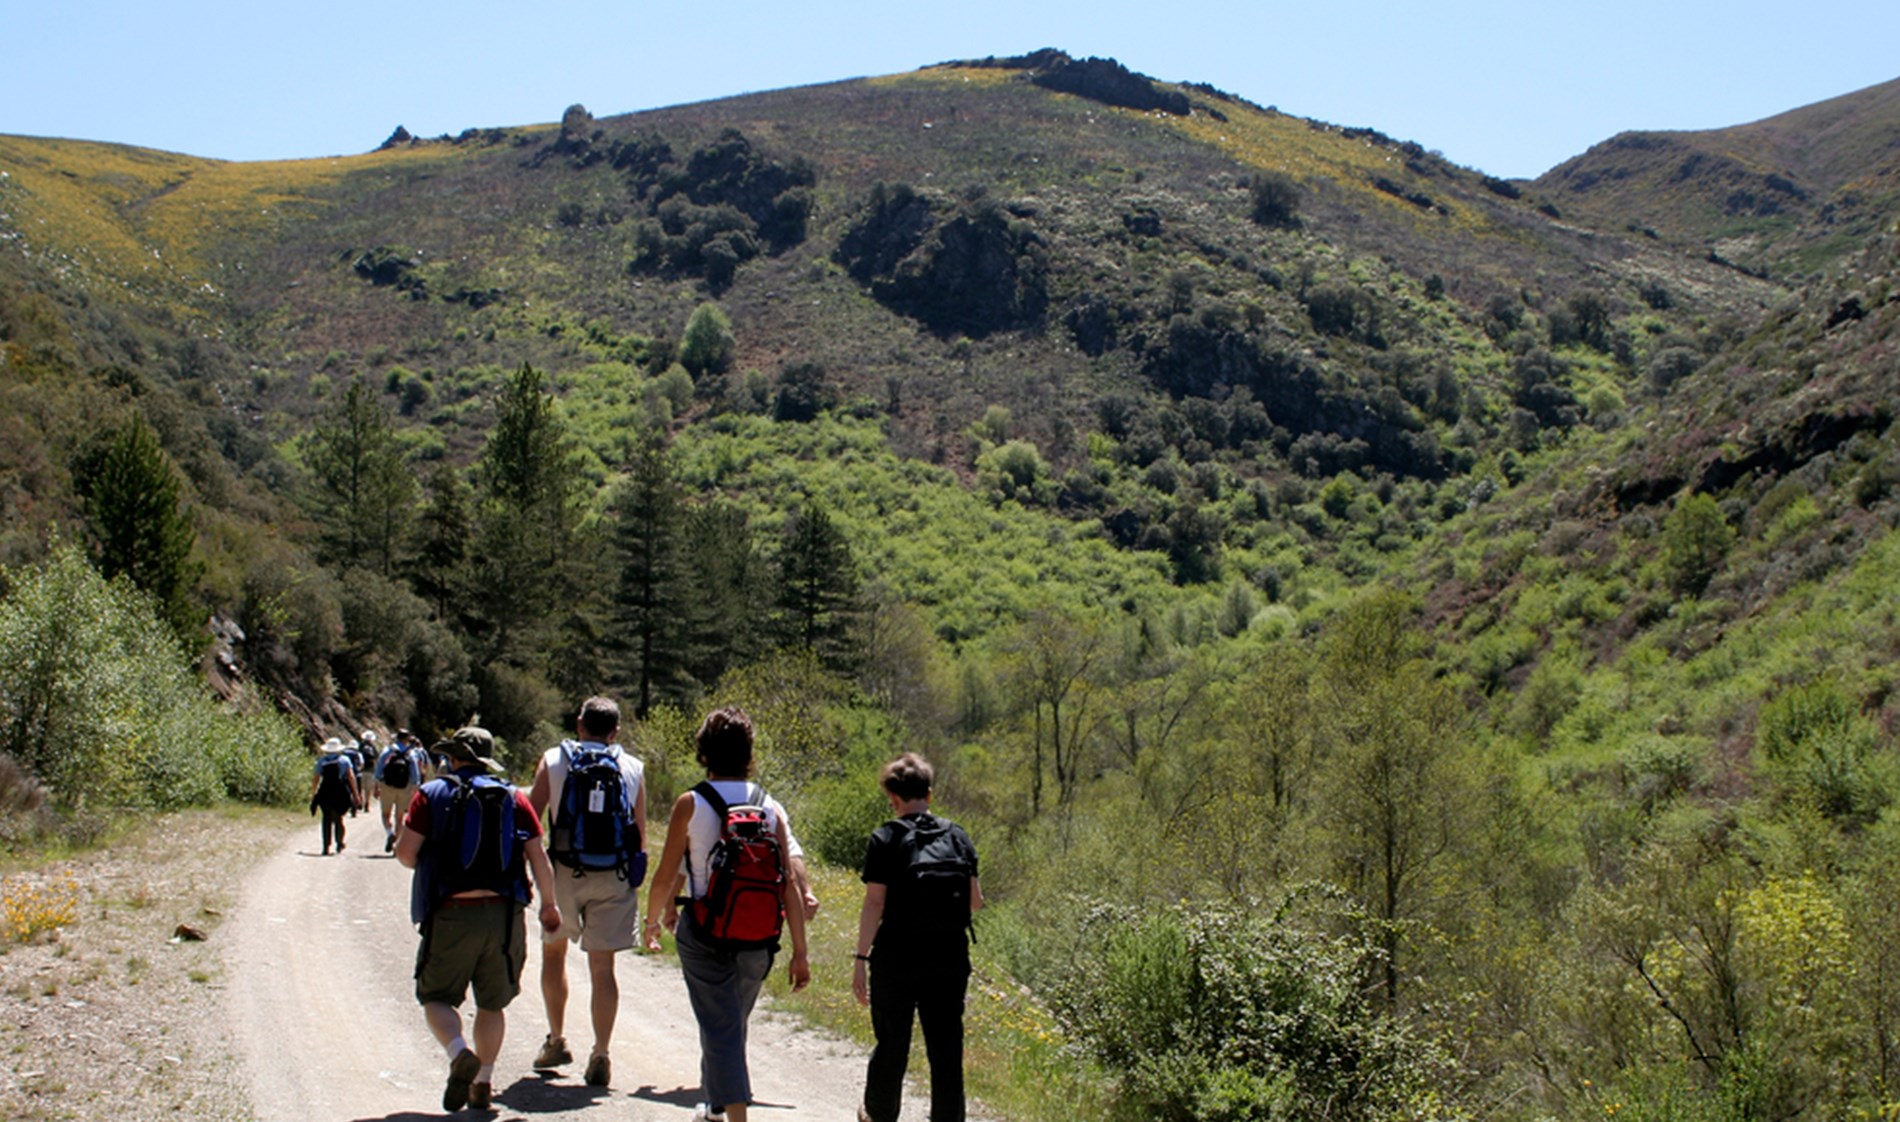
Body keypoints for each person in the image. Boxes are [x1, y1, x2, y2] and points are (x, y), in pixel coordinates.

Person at [643, 706, 810, 1122]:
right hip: (759, 937)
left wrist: (650, 921)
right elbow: (787, 882)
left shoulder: (691, 802)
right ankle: (715, 1106)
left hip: (705, 933)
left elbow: (666, 874)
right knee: (730, 1022)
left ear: (704, 752)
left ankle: (734, 1113)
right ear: (749, 753)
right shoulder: (770, 806)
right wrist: (800, 951)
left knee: (721, 1026)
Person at [395, 727, 562, 1113]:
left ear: (453, 757)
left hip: (452, 912)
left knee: (435, 996)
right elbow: (538, 858)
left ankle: (458, 1053)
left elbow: (406, 854)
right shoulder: (514, 798)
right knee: (492, 1003)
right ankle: (483, 1082)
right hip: (504, 916)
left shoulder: (430, 794)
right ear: (486, 759)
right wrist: (549, 906)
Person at [852, 753, 983, 1122]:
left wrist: (861, 959)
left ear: (893, 797)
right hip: (949, 958)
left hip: (896, 958)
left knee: (892, 1043)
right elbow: (975, 902)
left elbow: (874, 903)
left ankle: (878, 1114)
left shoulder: (885, 838)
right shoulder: (957, 835)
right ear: (929, 793)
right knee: (946, 1047)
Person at [527, 696, 648, 1087]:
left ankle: (557, 1039)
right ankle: (601, 1052)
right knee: (603, 968)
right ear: (615, 732)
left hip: (564, 870)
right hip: (613, 874)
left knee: (554, 953)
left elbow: (529, 820)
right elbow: (639, 835)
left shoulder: (553, 759)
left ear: (579, 724)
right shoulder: (632, 767)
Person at [374, 729, 427, 853]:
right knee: (400, 817)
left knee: (385, 814)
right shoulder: (411, 753)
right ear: (407, 739)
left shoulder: (388, 751)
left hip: (387, 786)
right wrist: (415, 788)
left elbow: (378, 771)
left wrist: (377, 786)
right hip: (405, 787)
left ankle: (389, 832)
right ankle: (397, 844)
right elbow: (415, 775)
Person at [309, 737, 362, 856]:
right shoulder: (345, 760)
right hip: (340, 791)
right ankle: (339, 842)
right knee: (339, 818)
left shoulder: (321, 761)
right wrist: (356, 794)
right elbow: (351, 777)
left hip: (325, 791)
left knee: (326, 819)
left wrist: (313, 794)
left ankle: (325, 846)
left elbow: (316, 778)